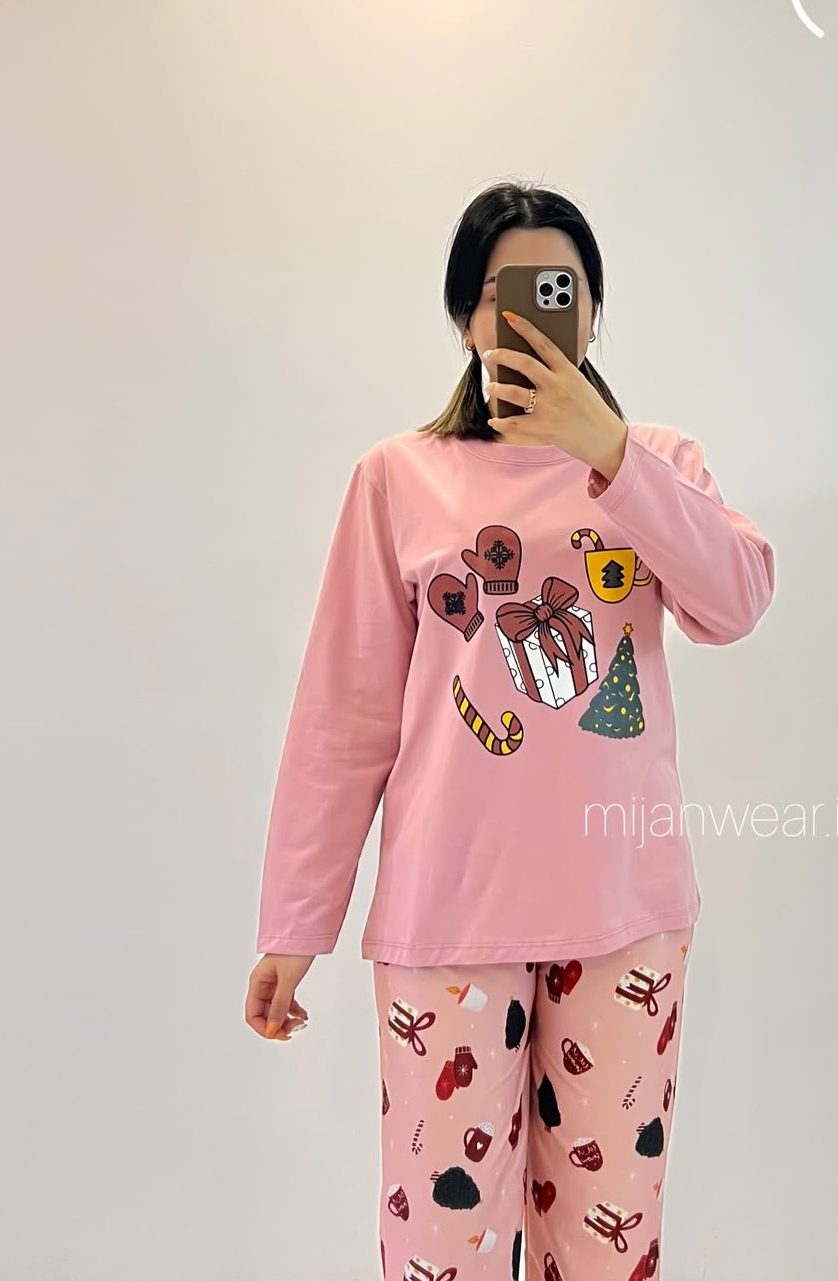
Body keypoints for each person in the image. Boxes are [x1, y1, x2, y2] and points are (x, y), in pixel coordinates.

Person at [245, 180, 775, 1281]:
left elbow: (735, 603)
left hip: (624, 914)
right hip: (450, 915)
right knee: (443, 1252)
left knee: (607, 1246)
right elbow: (343, 716)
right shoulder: (399, 477)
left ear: (594, 311)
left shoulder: (657, 462)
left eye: (558, 288)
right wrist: (297, 920)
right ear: (465, 318)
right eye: (503, 292)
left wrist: (611, 453)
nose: (531, 311)